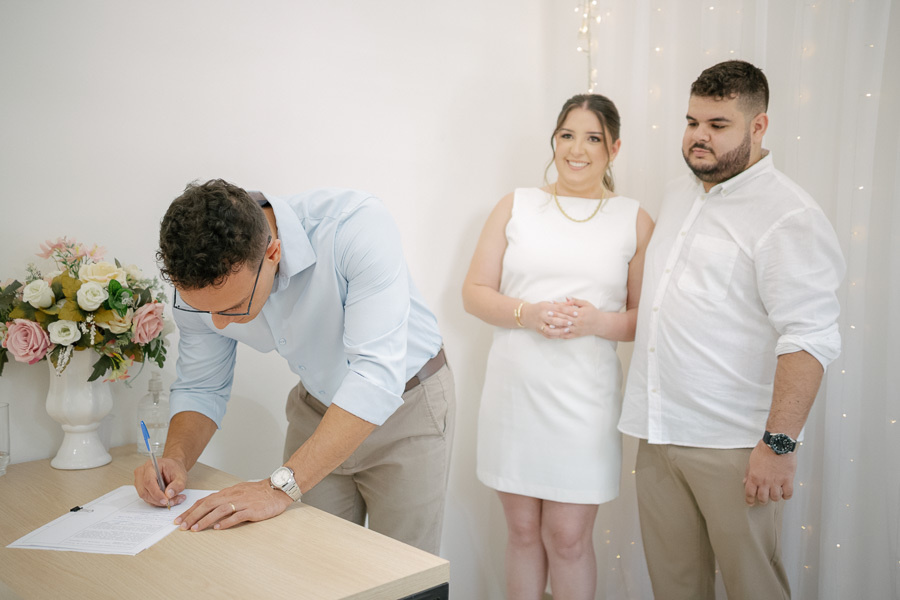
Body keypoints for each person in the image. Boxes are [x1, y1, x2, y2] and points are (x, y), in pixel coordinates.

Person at [619, 60, 845, 599]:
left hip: (736, 447)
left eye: (718, 125)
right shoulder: (678, 193)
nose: (699, 136)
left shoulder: (788, 214)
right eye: (692, 121)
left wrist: (778, 446)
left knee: (754, 588)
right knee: (674, 588)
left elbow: (809, 337)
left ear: (758, 126)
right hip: (658, 433)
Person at [133, 180, 455, 555]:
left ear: (273, 253)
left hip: (407, 409)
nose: (218, 324)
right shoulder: (199, 280)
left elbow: (374, 378)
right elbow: (201, 386)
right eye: (205, 311)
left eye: (233, 307)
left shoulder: (355, 225)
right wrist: (176, 458)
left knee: (403, 567)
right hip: (316, 407)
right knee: (307, 562)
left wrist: (276, 488)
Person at [463, 94, 654, 599]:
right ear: (554, 140)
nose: (576, 149)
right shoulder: (516, 205)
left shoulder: (634, 219)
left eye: (592, 138)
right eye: (567, 135)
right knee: (523, 531)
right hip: (515, 394)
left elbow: (647, 319)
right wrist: (527, 313)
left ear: (614, 148)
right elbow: (474, 292)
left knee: (567, 538)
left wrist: (597, 322)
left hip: (584, 401)